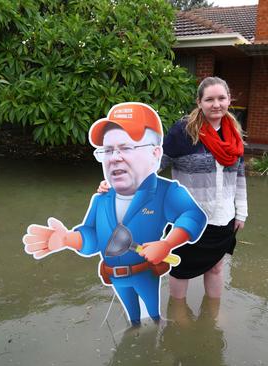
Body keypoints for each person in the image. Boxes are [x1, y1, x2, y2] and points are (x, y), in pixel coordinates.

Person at [23, 102, 207, 325]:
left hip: (144, 273)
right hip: (115, 276)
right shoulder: (102, 198)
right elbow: (93, 237)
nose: (114, 157)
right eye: (108, 150)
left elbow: (193, 215)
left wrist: (167, 244)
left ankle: (152, 344)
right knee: (134, 318)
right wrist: (68, 239)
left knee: (151, 318)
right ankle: (137, 333)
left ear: (155, 153)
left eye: (126, 147)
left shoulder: (164, 192)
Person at [98, 77, 246, 300]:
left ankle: (213, 317)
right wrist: (118, 184)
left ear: (229, 100)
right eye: (209, 99)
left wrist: (241, 212)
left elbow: (240, 176)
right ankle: (178, 318)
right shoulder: (184, 131)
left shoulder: (233, 134)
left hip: (223, 219)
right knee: (180, 272)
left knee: (216, 268)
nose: (216, 104)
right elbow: (154, 165)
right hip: (190, 218)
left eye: (221, 98)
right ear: (199, 102)